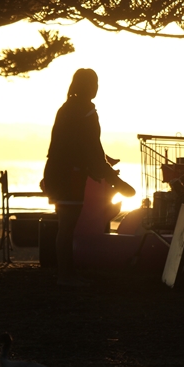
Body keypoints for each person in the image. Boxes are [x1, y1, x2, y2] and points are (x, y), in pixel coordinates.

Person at [42, 68, 135, 286]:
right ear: (89, 87)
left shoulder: (66, 108)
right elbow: (92, 148)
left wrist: (103, 168)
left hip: (57, 171)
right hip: (70, 174)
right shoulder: (86, 111)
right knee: (67, 227)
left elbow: (83, 147)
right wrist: (114, 180)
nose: (96, 88)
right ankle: (66, 276)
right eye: (94, 84)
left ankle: (66, 273)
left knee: (65, 227)